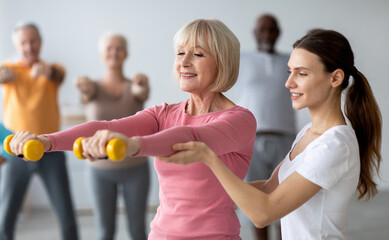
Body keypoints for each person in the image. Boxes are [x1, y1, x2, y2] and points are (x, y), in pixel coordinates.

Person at [8, 19, 257, 239]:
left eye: (198, 54)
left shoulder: (239, 121)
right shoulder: (164, 113)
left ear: (222, 61)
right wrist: (45, 142)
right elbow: (106, 126)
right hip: (161, 235)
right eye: (180, 53)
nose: (184, 62)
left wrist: (132, 145)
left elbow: (190, 138)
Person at [158, 29, 382, 240]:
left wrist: (209, 159)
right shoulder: (309, 133)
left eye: (301, 73)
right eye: (289, 71)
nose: (288, 83)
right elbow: (268, 188)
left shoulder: (334, 145)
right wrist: (197, 195)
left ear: (335, 78)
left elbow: (264, 212)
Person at [0, 22, 79, 240]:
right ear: (17, 45)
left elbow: (58, 75)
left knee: (66, 215)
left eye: (32, 41)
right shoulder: (8, 70)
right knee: (5, 217)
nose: (29, 47)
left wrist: (47, 71)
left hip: (51, 149)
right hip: (14, 151)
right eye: (23, 42)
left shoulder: (53, 70)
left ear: (40, 42)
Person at [74, 32, 150, 240]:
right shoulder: (91, 87)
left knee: (138, 231)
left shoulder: (135, 84)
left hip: (135, 169)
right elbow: (85, 93)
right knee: (105, 232)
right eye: (109, 48)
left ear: (126, 53)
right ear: (101, 54)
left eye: (119, 48)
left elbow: (140, 91)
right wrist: (83, 87)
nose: (114, 53)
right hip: (99, 171)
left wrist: (141, 86)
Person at [234, 14, 296, 240]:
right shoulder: (240, 60)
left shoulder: (291, 61)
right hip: (251, 140)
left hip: (286, 140)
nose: (267, 34)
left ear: (278, 32)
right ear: (255, 32)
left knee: (284, 200)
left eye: (272, 29)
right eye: (263, 29)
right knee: (255, 199)